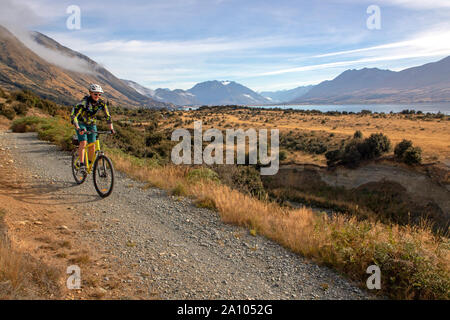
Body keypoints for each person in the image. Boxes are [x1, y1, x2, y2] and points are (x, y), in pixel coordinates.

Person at [71, 84, 115, 172]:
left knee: (93, 145)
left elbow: (107, 116)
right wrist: (78, 128)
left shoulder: (101, 103)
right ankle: (82, 164)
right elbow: (73, 116)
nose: (97, 96)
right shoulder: (83, 103)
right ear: (90, 93)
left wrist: (111, 129)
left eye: (99, 94)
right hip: (81, 123)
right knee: (83, 142)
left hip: (92, 124)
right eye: (95, 94)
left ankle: (89, 163)